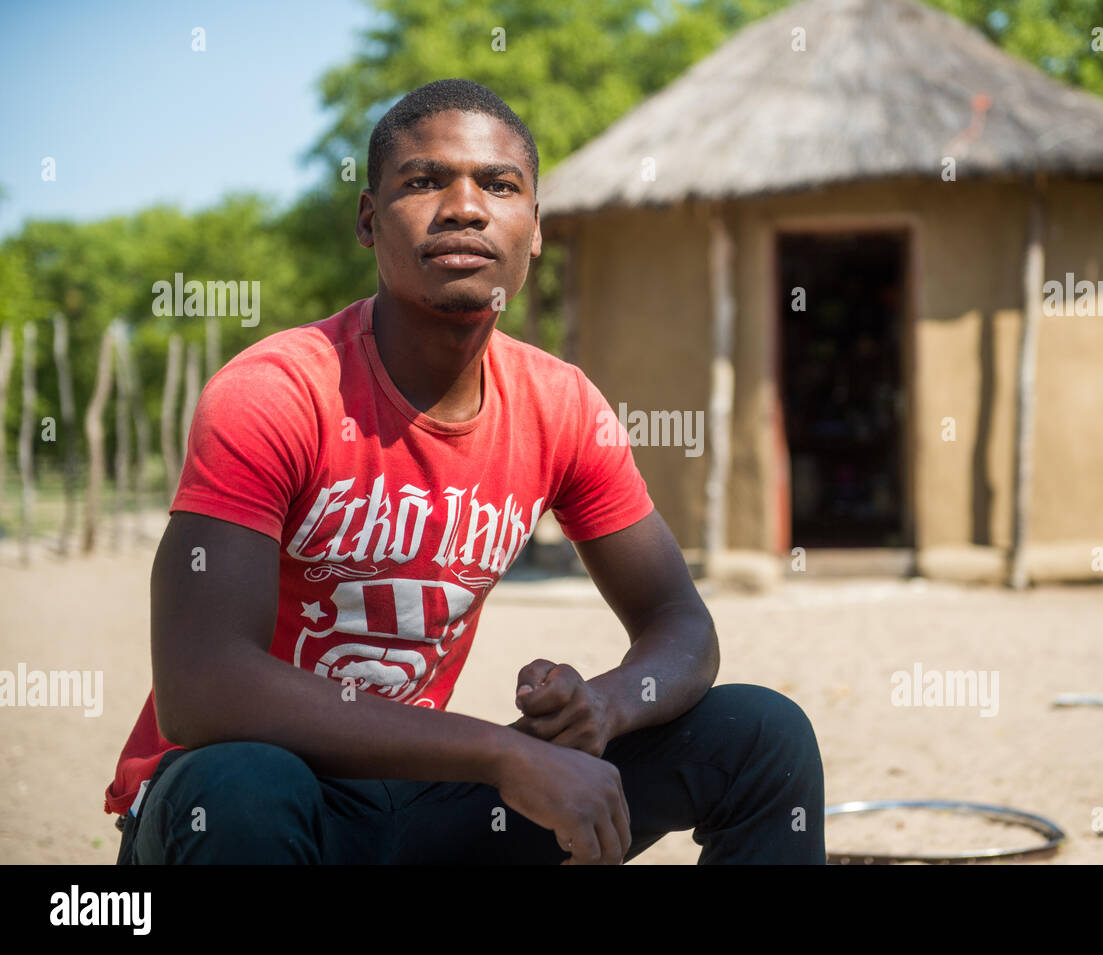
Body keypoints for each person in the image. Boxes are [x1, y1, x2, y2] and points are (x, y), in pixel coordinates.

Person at [106, 78, 825, 865]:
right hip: (240, 809)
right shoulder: (276, 390)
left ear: (535, 229)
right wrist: (499, 752)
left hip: (419, 799)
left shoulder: (561, 405)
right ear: (369, 221)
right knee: (244, 781)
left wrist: (605, 708)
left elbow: (680, 624)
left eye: (499, 184)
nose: (464, 206)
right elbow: (201, 684)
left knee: (759, 733)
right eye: (423, 181)